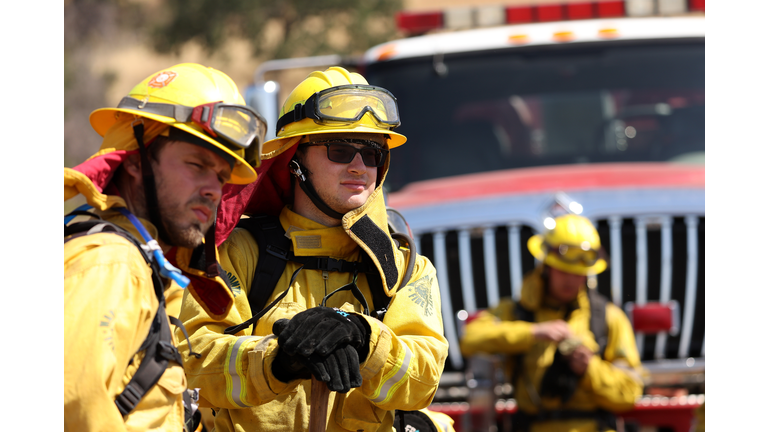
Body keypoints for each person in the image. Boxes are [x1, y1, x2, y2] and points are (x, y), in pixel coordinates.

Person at [177, 66, 450, 432]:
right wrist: (279, 361)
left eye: (372, 154)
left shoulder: (403, 269)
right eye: (339, 150)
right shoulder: (235, 253)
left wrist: (364, 338)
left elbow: (423, 381)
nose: (359, 166)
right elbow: (194, 363)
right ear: (295, 159)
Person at [64, 63, 265, 431]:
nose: (213, 189)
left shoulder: (142, 265)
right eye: (197, 165)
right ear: (137, 160)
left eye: (221, 177)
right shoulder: (113, 264)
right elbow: (71, 402)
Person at [460, 214, 645, 432]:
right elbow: (469, 339)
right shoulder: (516, 312)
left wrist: (590, 368)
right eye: (563, 270)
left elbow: (630, 395)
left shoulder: (609, 317)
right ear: (546, 266)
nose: (570, 280)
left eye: (578, 274)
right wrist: (532, 332)